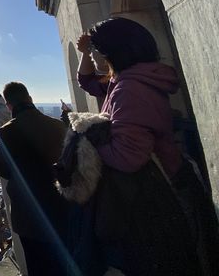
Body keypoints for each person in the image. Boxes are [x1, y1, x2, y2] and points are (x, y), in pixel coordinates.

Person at [75, 17, 218, 275]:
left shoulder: (128, 88)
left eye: (96, 49)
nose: (93, 54)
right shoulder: (128, 80)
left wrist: (89, 134)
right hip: (168, 184)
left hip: (160, 198)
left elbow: (127, 157)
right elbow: (87, 82)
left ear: (112, 51)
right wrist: (85, 52)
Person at [0, 82, 73, 276]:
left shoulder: (7, 132)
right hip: (61, 207)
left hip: (29, 214)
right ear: (30, 99)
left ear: (9, 106)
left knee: (38, 266)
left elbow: (0, 167)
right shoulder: (57, 125)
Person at [0, 91, 27, 275]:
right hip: (28, 169)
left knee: (15, 216)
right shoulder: (11, 110)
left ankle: (24, 261)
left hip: (11, 173)